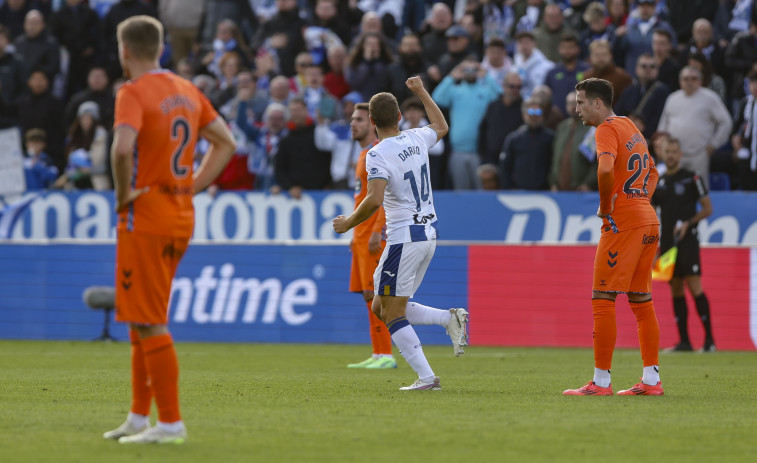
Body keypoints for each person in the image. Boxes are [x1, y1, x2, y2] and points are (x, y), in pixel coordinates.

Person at [103, 15, 236, 444]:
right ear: (160, 48)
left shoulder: (133, 92)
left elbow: (122, 149)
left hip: (146, 215)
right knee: (141, 317)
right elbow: (226, 142)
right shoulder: (187, 89)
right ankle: (139, 417)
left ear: (125, 52)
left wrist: (123, 195)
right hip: (179, 213)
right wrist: (190, 186)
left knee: (151, 320)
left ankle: (171, 423)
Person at [332, 77, 469, 391]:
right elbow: (441, 126)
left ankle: (427, 377)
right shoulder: (417, 138)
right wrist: (421, 92)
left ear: (372, 121)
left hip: (404, 238)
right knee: (381, 306)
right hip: (426, 235)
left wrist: (348, 223)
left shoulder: (377, 154)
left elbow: (374, 199)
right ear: (398, 117)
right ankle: (449, 319)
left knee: (390, 311)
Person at [564, 77, 663, 396]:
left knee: (602, 298)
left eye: (580, 103)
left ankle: (600, 383)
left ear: (597, 103)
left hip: (623, 222)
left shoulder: (605, 128)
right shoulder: (629, 126)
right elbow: (653, 171)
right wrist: (640, 201)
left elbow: (605, 170)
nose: (576, 109)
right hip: (648, 220)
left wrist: (608, 207)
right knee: (641, 300)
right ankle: (651, 381)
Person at [344, 102, 396, 369]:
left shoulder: (376, 152)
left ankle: (386, 354)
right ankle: (378, 353)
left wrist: (377, 230)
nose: (353, 123)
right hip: (361, 236)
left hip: (373, 235)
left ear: (372, 124)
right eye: (353, 119)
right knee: (367, 294)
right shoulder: (363, 153)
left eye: (360, 120)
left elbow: (384, 196)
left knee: (377, 295)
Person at [651, 136, 715, 353]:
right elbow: (651, 211)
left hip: (688, 240)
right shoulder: (658, 182)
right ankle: (684, 342)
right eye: (667, 151)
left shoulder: (691, 178)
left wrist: (689, 223)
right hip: (668, 242)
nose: (670, 155)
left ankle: (709, 342)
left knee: (694, 284)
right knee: (675, 288)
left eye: (674, 151)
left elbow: (707, 209)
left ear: (680, 154)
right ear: (662, 153)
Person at [657, 66, 732, 189]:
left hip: (699, 154)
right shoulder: (672, 98)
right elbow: (663, 126)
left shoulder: (710, 98)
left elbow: (726, 122)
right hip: (674, 155)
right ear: (680, 81)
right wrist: (662, 146)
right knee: (673, 189)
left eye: (693, 78)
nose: (689, 82)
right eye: (685, 79)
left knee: (699, 189)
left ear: (700, 81)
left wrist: (714, 144)